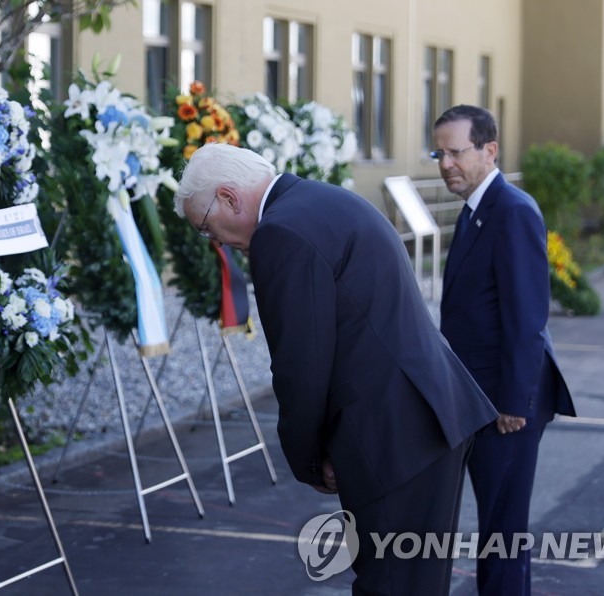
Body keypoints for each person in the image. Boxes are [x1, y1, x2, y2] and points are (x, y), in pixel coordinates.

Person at [174, 143, 498, 594]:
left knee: (389, 584)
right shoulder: (321, 200)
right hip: (427, 418)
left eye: (207, 227)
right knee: (417, 583)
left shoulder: (279, 232)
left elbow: (300, 365)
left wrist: (307, 459)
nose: (216, 242)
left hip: (393, 436)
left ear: (229, 197)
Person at [433, 105, 576, 595]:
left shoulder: (512, 210)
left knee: (503, 533)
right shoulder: (477, 210)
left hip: (505, 404)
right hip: (479, 397)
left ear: (489, 150)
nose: (446, 163)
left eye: (456, 152)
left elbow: (527, 316)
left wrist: (514, 402)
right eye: (440, 153)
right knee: (498, 531)